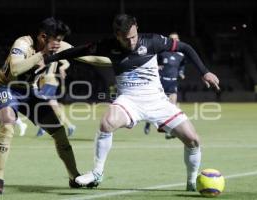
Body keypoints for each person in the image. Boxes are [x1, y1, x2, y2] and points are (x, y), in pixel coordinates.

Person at [45, 14, 220, 191]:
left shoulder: (153, 41)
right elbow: (77, 51)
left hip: (158, 101)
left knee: (193, 140)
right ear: (116, 35)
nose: (131, 42)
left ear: (137, 27)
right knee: (107, 123)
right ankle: (97, 172)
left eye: (134, 37)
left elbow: (186, 47)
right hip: (129, 100)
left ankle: (191, 182)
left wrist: (204, 72)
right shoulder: (107, 45)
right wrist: (46, 59)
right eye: (125, 39)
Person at [0, 17, 95, 194]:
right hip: (8, 88)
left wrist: (116, 60)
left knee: (59, 132)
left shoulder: (57, 45)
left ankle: (74, 176)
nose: (59, 44)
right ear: (43, 37)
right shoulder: (23, 43)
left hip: (30, 92)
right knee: (8, 125)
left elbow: (86, 55)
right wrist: (42, 53)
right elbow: (15, 69)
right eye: (57, 40)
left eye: (61, 40)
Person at [144, 32, 186, 138]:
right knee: (156, 106)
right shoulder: (163, 53)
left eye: (176, 39)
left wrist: (181, 72)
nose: (174, 41)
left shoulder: (181, 55)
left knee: (172, 106)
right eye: (172, 39)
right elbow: (153, 61)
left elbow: (182, 65)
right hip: (162, 82)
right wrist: (156, 67)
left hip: (173, 82)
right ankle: (148, 123)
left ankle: (169, 131)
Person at [35, 45, 76, 137]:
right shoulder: (41, 54)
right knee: (54, 107)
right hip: (45, 83)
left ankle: (44, 126)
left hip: (50, 83)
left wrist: (62, 68)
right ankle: (69, 126)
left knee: (40, 103)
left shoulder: (54, 54)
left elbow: (66, 63)